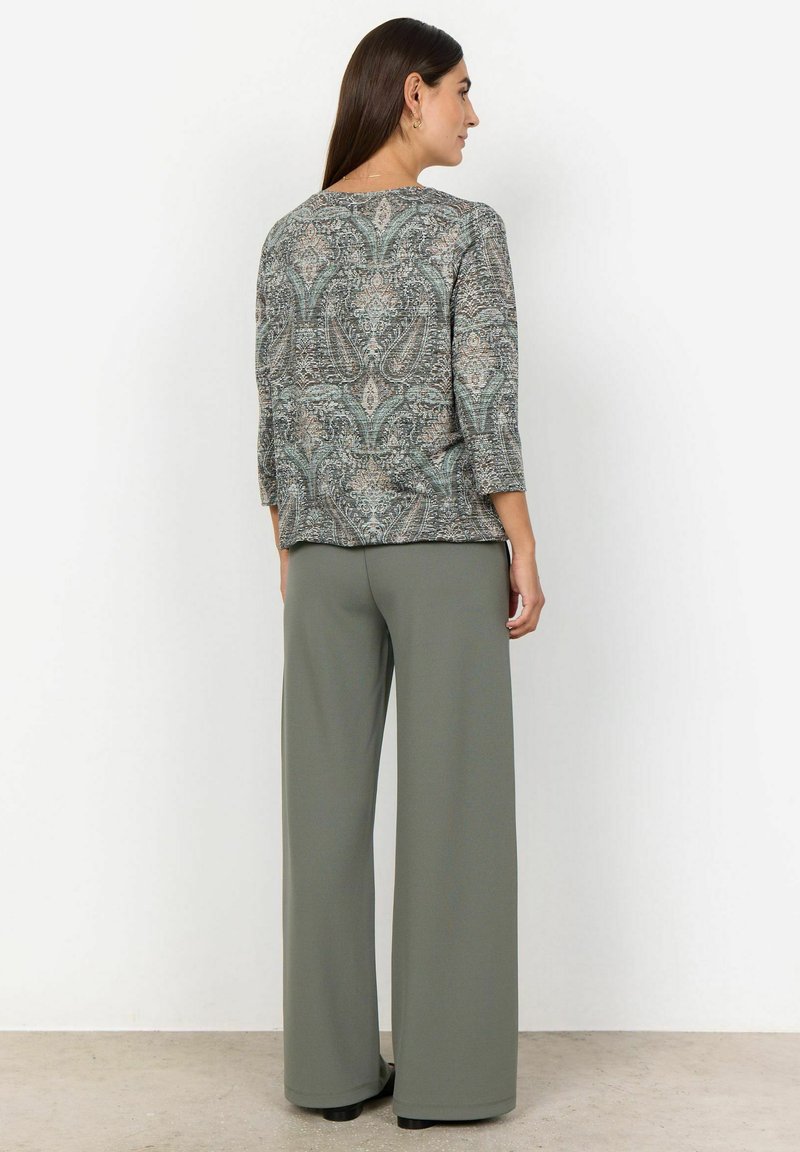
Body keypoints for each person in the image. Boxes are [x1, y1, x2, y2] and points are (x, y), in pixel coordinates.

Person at [254, 16, 545, 1132]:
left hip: (321, 558)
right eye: (463, 90)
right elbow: (487, 402)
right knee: (453, 817)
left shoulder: (287, 237)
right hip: (441, 551)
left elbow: (276, 414)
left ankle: (328, 1073)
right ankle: (447, 1084)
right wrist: (521, 542)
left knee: (320, 819)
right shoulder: (467, 232)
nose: (474, 113)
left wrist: (292, 544)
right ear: (412, 92)